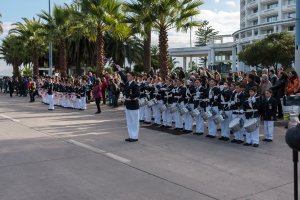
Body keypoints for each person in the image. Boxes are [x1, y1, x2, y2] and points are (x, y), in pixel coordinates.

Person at [116, 65, 140, 142]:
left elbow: (137, 93)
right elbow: (123, 76)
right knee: (129, 121)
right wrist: (119, 69)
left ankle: (135, 137)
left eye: (129, 76)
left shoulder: (135, 84)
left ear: (133, 77)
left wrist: (131, 97)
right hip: (128, 105)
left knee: (134, 122)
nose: (128, 76)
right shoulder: (127, 83)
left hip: (133, 104)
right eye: (128, 75)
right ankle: (131, 136)